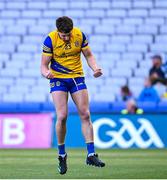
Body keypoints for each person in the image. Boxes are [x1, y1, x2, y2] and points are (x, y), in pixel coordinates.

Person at [40, 16, 105, 175]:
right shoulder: (50, 40)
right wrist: (46, 73)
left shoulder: (79, 35)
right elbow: (43, 65)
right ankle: (62, 155)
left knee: (85, 113)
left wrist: (95, 68)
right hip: (58, 80)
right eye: (64, 35)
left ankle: (91, 154)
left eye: (69, 34)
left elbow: (88, 55)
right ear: (58, 32)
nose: (67, 37)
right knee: (62, 116)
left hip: (76, 77)